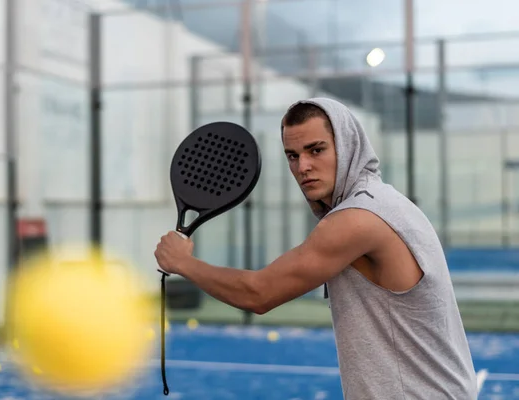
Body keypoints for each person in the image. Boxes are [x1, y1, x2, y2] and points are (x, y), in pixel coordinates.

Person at [155, 97, 478, 399]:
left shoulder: (358, 220)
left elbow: (258, 294)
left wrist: (183, 262)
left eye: (316, 150)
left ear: (348, 147)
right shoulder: (385, 202)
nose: (303, 167)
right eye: (293, 156)